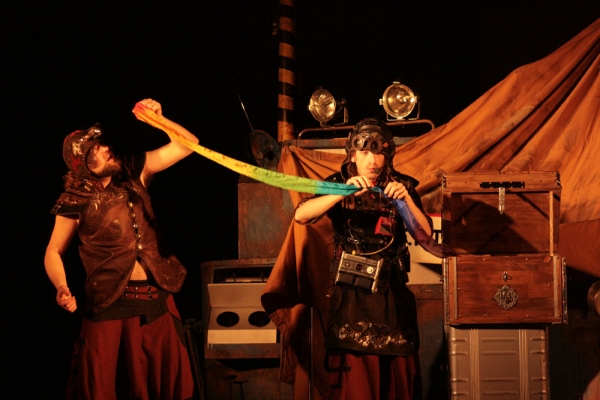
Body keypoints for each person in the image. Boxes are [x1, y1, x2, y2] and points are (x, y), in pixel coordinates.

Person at [44, 99, 198, 400]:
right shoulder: (74, 199)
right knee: (104, 387)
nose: (106, 150)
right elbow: (53, 252)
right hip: (109, 304)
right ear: (84, 166)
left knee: (165, 386)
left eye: (102, 144)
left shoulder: (134, 169)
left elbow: (188, 145)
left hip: (156, 297)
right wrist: (61, 286)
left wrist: (160, 121)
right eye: (95, 151)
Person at [293, 118, 432, 400]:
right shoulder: (339, 183)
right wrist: (340, 193)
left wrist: (406, 200)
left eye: (378, 152)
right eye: (365, 152)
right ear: (353, 155)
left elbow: (426, 236)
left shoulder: (400, 186)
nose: (372, 160)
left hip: (392, 295)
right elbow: (302, 215)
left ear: (387, 155)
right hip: (352, 296)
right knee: (356, 385)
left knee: (398, 381)